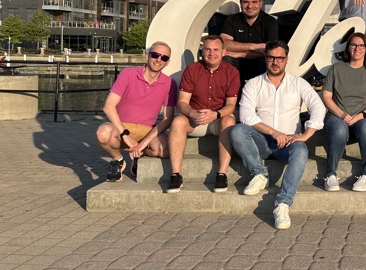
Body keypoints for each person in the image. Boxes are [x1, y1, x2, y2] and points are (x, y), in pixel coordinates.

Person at [230, 40, 325, 230]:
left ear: (286, 60)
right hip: (262, 141)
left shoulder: (298, 83)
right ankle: (259, 173)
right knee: (238, 130)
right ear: (265, 59)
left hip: (288, 142)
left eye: (279, 58)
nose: (275, 62)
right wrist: (274, 132)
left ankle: (282, 204)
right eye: (271, 57)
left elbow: (318, 107)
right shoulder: (253, 84)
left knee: (300, 149)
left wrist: (306, 134)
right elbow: (246, 115)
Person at [166, 35, 239, 194]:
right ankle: (176, 174)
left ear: (223, 51)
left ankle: (222, 174)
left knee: (229, 121)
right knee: (178, 122)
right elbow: (182, 102)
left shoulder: (232, 72)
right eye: (207, 49)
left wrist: (216, 114)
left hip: (217, 119)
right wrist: (192, 112)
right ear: (202, 51)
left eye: (215, 50)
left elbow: (231, 105)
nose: (211, 53)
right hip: (195, 119)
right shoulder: (192, 70)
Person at [96, 42, 177, 182]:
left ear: (167, 62)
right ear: (147, 56)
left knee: (168, 149)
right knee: (102, 133)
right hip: (121, 128)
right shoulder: (128, 74)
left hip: (146, 130)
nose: (159, 60)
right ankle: (118, 160)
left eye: (164, 58)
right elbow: (108, 107)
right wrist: (125, 135)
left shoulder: (170, 84)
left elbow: (167, 119)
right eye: (155, 55)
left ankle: (138, 155)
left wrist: (143, 143)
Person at [321, 32, 366, 192]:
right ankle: (330, 175)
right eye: (353, 45)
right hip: (337, 115)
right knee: (340, 130)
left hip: (363, 116)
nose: (357, 48)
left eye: (361, 45)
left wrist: (360, 116)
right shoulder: (336, 68)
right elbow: (326, 96)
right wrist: (342, 114)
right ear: (348, 48)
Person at [220, 0, 279, 88]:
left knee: (269, 61)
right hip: (237, 62)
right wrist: (254, 46)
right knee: (226, 59)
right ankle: (233, 98)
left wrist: (240, 54)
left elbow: (270, 51)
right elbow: (224, 44)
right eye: (246, 2)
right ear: (241, 3)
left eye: (254, 2)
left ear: (261, 3)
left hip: (259, 63)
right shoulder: (231, 20)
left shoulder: (270, 22)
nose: (250, 6)